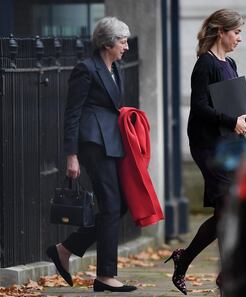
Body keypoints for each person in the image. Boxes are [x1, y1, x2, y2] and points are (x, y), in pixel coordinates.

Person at [164, 8, 246, 295]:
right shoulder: (205, 64)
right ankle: (224, 274)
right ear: (221, 32)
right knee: (227, 208)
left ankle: (187, 259)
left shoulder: (230, 63)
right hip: (206, 145)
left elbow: (233, 103)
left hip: (228, 144)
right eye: (236, 32)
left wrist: (244, 123)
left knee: (227, 211)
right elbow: (200, 107)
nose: (239, 38)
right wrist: (231, 121)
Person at [46, 16, 137, 293]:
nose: (126, 48)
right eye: (122, 42)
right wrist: (71, 155)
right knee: (111, 206)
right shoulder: (86, 69)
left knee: (119, 206)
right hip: (93, 145)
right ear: (107, 43)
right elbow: (72, 113)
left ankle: (66, 248)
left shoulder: (115, 68)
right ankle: (106, 276)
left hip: (112, 144)